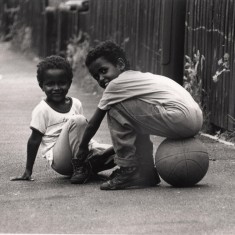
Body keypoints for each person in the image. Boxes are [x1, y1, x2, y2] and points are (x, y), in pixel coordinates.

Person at [70, 41, 203, 190]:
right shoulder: (138, 77)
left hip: (179, 116)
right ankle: (146, 172)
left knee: (115, 109)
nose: (101, 78)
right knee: (129, 115)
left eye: (103, 71)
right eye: (96, 76)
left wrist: (82, 148)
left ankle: (128, 170)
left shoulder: (115, 85)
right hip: (195, 118)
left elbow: (94, 122)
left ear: (120, 64)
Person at [10, 55, 115, 183]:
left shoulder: (76, 103)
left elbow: (81, 134)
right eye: (50, 84)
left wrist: (96, 147)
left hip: (81, 150)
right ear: (41, 86)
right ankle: (81, 167)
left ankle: (92, 167)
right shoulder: (42, 109)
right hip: (61, 160)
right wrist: (27, 171)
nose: (56, 88)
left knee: (117, 150)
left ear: (69, 83)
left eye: (62, 83)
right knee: (78, 120)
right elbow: (34, 140)